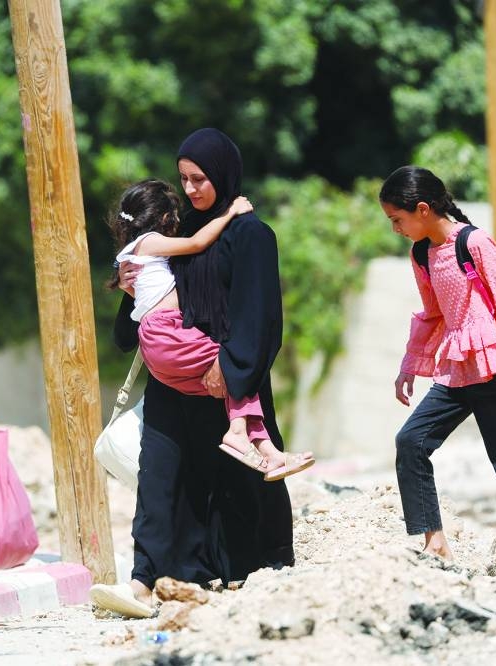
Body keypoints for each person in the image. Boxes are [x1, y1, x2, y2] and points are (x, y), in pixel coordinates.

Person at [90, 128, 297, 619]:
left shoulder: (250, 235)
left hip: (227, 381)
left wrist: (232, 369)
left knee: (241, 479)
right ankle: (149, 578)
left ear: (222, 175)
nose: (191, 190)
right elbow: (131, 331)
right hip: (172, 384)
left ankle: (260, 570)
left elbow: (260, 315)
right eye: (183, 179)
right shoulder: (172, 239)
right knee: (159, 478)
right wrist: (127, 289)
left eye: (200, 179)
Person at [380, 165, 496, 566]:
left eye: (398, 219)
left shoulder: (475, 243)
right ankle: (434, 541)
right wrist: (409, 365)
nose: (395, 228)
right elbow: (432, 314)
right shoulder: (421, 254)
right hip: (456, 369)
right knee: (411, 442)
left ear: (424, 209)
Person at [106, 178, 315, 479]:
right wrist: (230, 213)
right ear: (165, 218)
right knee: (236, 362)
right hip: (167, 334)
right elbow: (196, 243)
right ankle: (238, 433)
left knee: (236, 387)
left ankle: (269, 454)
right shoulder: (149, 243)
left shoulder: (132, 258)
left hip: (158, 346)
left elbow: (147, 301)